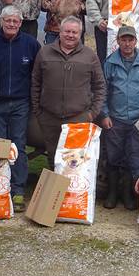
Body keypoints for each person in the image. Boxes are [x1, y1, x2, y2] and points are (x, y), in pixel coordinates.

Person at [0, 6, 41, 212]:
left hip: (21, 103)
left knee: (18, 146)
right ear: (1, 20)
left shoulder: (31, 44)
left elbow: (37, 74)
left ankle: (17, 191)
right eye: (8, 20)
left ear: (21, 22)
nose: (12, 24)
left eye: (16, 21)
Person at [31, 16, 106, 169]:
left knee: (75, 161)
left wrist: (92, 113)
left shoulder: (90, 55)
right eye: (67, 31)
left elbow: (100, 86)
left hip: (78, 118)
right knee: (53, 158)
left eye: (74, 32)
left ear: (80, 34)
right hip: (49, 117)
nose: (70, 35)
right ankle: (55, 190)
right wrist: (38, 110)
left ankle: (73, 191)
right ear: (60, 31)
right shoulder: (44, 53)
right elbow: (35, 83)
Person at [99, 26, 139, 210]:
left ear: (135, 41)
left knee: (133, 157)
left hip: (138, 121)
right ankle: (112, 193)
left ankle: (128, 194)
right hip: (115, 119)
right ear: (118, 41)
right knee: (113, 157)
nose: (127, 43)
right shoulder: (110, 63)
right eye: (123, 39)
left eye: (130, 40)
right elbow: (102, 91)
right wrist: (105, 114)